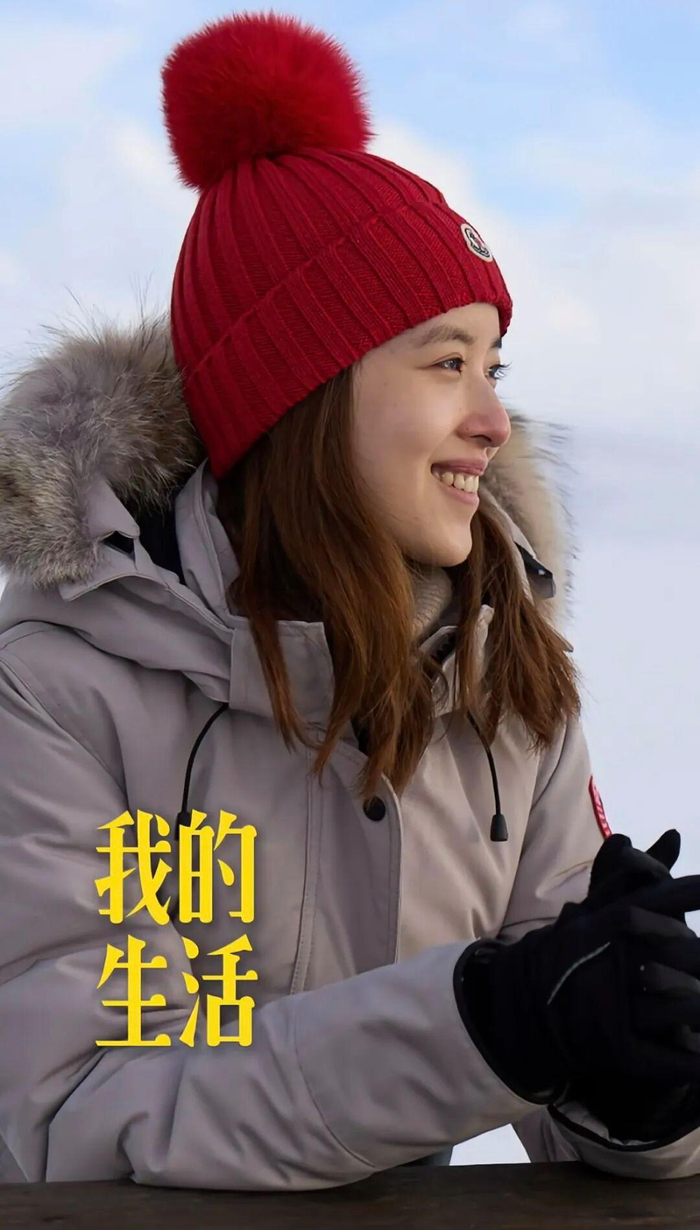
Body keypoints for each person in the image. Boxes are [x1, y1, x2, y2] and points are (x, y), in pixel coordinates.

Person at [1, 9, 700, 1190]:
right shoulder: (59, 687)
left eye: (493, 367)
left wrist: (638, 1076)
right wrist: (483, 1023)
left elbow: (607, 1136)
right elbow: (81, 1114)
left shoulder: (502, 673)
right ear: (304, 394)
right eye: (446, 363)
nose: (492, 419)